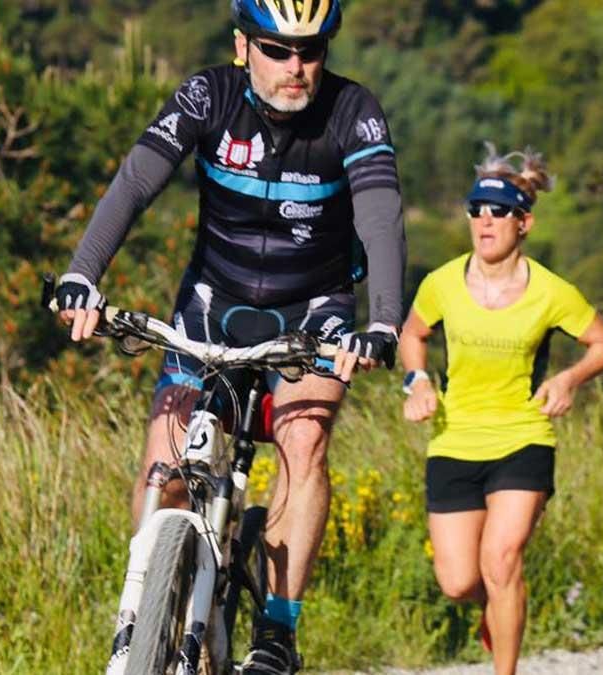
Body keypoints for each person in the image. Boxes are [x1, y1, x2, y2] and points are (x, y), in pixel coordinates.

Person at [55, 1, 407, 672]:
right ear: (244, 46)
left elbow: (381, 214)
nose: (296, 66)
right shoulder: (207, 95)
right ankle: (145, 610)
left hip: (316, 310)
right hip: (212, 303)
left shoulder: (352, 110)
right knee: (165, 468)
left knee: (304, 440)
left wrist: (384, 319)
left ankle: (277, 628)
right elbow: (134, 183)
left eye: (311, 51)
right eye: (277, 50)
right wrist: (82, 275)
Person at [399, 145, 603, 675]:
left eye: (498, 212)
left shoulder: (550, 291)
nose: (485, 220)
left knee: (501, 559)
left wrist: (569, 378)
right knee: (459, 582)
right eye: (476, 209)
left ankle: (506, 665)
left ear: (525, 222)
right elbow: (413, 332)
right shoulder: (443, 283)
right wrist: (418, 379)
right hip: (455, 438)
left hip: (524, 437)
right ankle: (499, 611)